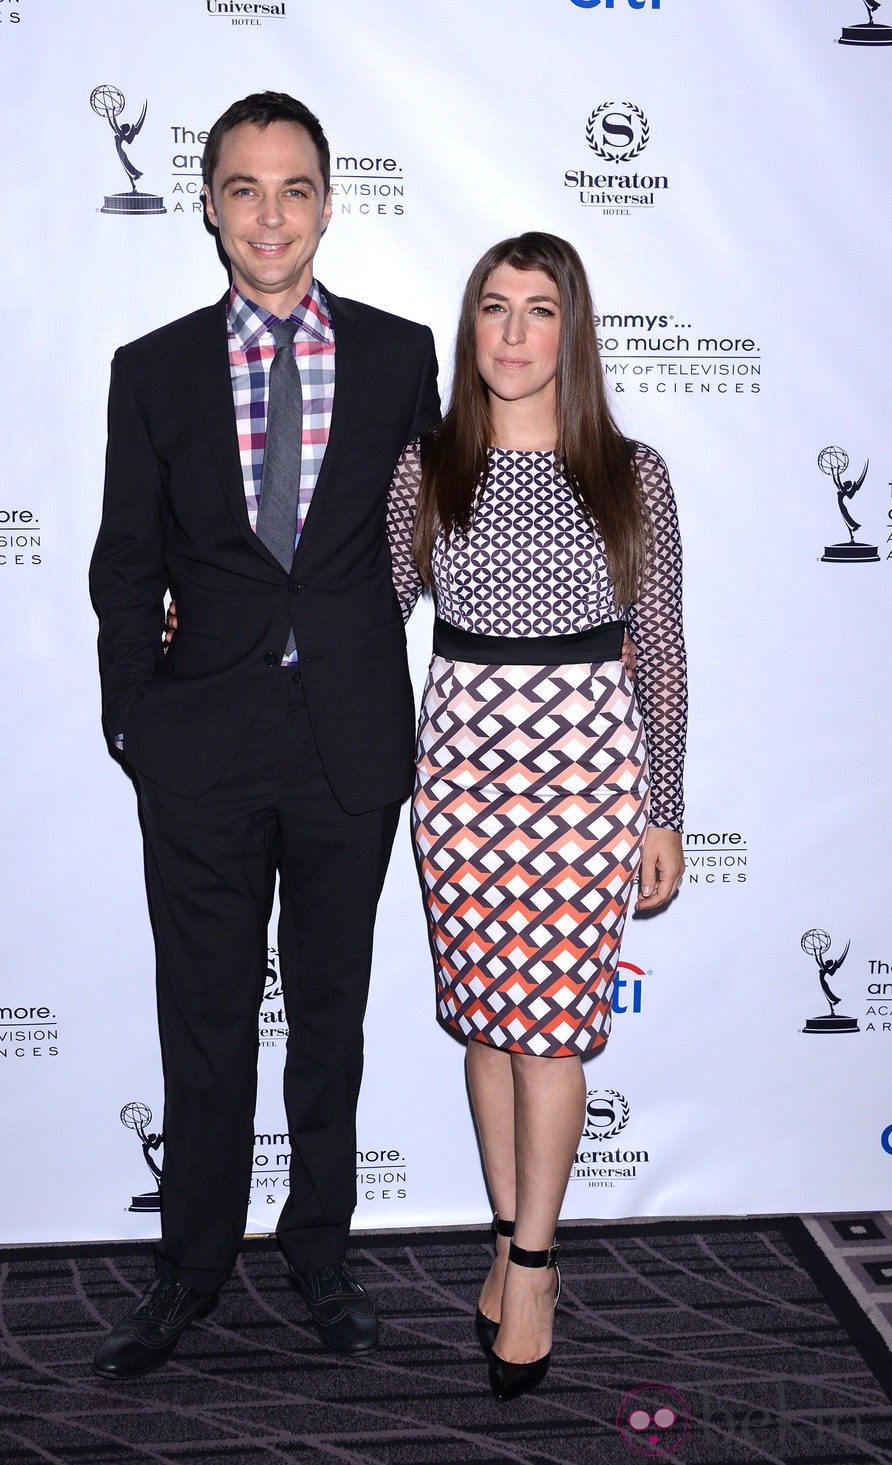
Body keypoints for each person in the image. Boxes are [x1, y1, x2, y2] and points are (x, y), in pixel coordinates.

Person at [88, 92, 439, 1378]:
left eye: (295, 188)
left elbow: (419, 541)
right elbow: (126, 566)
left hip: (348, 745)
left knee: (331, 1020)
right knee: (205, 1019)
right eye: (244, 188)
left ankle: (320, 1252)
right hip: (200, 747)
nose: (271, 213)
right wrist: (136, 713)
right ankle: (190, 1266)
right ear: (210, 207)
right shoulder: (153, 369)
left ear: (329, 204)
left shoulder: (404, 359)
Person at [393, 232, 686, 1401]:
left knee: (552, 1029)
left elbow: (657, 647)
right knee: (485, 1023)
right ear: (468, 330)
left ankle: (533, 1263)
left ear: (573, 330)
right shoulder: (426, 469)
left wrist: (663, 808)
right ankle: (508, 1236)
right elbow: (362, 606)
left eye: (538, 310)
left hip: (582, 768)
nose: (512, 333)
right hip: (460, 761)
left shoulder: (629, 470)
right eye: (492, 310)